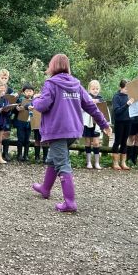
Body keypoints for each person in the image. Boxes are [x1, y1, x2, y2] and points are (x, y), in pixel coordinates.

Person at [31, 54, 111, 212]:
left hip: (57, 130)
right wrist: (104, 124)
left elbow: (42, 105)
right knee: (54, 158)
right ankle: (45, 188)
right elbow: (91, 106)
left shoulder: (51, 84)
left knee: (62, 162)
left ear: (52, 66)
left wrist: (35, 100)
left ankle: (70, 202)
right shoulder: (76, 84)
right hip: (73, 130)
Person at [111, 80, 134, 171]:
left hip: (129, 121)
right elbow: (117, 111)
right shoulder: (116, 97)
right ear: (121, 88)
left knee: (124, 141)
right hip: (119, 121)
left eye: (129, 88)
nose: (127, 90)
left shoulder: (131, 96)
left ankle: (123, 162)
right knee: (118, 141)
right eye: (125, 88)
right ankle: (115, 162)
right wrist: (127, 104)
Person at [82, 80, 104, 170]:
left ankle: (97, 163)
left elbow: (104, 111)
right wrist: (91, 102)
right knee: (87, 142)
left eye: (97, 88)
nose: (95, 90)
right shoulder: (85, 98)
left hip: (97, 124)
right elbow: (81, 109)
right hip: (87, 123)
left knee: (96, 142)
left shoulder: (101, 99)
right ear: (89, 89)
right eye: (93, 89)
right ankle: (88, 162)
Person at [0, 68, 16, 161]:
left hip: (7, 115)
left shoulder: (10, 90)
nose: (4, 80)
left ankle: (5, 153)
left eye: (6, 78)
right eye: (2, 78)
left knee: (7, 133)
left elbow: (15, 102)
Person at [126, 76, 138, 166]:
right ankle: (128, 158)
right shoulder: (131, 91)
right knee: (131, 138)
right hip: (133, 117)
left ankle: (134, 159)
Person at [14, 83, 35, 162]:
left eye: (30, 91)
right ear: (23, 92)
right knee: (20, 139)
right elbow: (15, 108)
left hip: (29, 122)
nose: (28, 93)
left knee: (27, 139)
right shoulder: (20, 99)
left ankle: (26, 155)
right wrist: (17, 108)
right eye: (27, 91)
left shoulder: (35, 101)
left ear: (33, 92)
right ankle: (19, 155)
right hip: (20, 121)